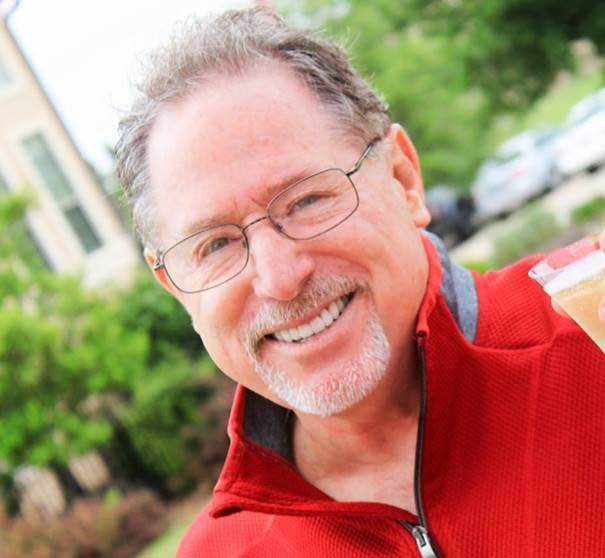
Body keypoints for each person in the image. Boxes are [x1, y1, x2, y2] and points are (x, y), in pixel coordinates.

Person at [115, 7, 605, 557]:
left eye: (306, 200)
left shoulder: (593, 327)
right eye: (215, 245)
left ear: (403, 178)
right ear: (175, 287)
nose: (280, 278)